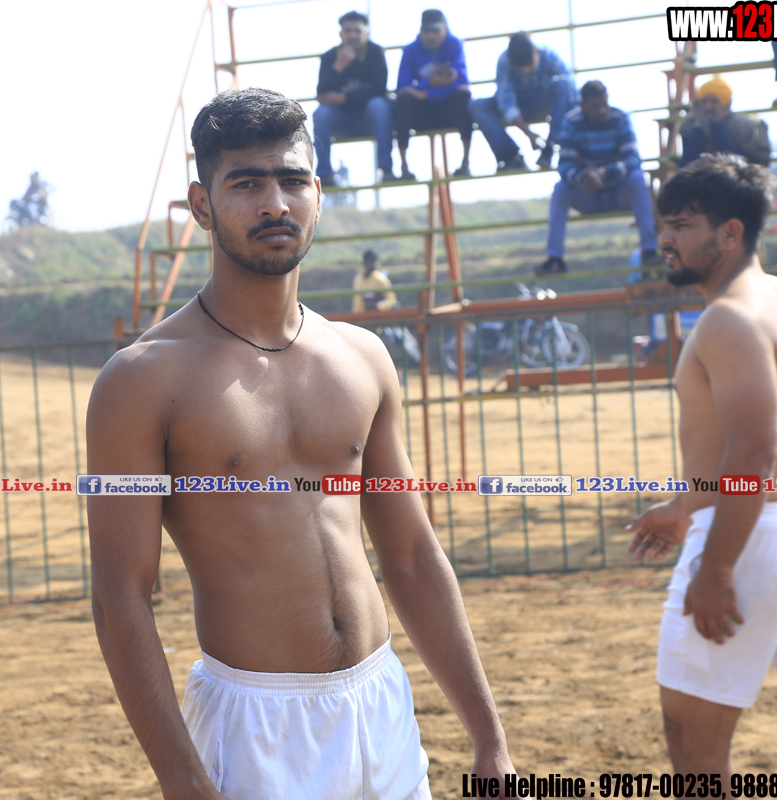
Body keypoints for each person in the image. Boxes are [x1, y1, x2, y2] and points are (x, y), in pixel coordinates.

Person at [87, 87, 513, 800]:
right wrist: (182, 777)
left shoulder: (362, 357)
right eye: (246, 184)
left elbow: (412, 555)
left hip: (380, 706)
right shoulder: (142, 379)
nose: (274, 204)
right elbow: (120, 595)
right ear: (201, 205)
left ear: (317, 193)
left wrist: (489, 739)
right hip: (255, 725)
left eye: (291, 180)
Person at [627, 153, 777, 776]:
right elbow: (763, 455)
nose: (664, 240)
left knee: (695, 749)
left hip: (750, 542)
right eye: (664, 224)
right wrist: (684, 506)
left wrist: (716, 567)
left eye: (682, 225)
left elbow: (755, 454)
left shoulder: (728, 318)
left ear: (730, 232)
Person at [538, 80, 659, 275]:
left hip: (619, 192)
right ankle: (555, 259)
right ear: (582, 105)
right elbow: (565, 165)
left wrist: (605, 172)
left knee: (637, 179)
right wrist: (583, 178)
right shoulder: (571, 122)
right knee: (560, 188)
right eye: (595, 107)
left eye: (604, 104)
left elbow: (633, 159)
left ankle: (650, 250)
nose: (602, 111)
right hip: (588, 195)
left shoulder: (620, 118)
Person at [469, 31, 577, 172]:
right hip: (517, 105)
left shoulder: (548, 54)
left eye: (529, 64)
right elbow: (506, 102)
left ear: (537, 52)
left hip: (542, 102)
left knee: (564, 84)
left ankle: (551, 146)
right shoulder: (504, 61)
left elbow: (571, 88)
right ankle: (511, 156)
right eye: (520, 66)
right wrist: (528, 133)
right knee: (477, 106)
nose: (525, 70)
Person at [313, 11, 396, 185]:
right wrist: (339, 66)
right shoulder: (329, 56)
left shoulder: (375, 52)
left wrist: (342, 98)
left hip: (370, 118)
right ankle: (324, 174)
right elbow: (321, 94)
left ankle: (386, 169)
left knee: (379, 105)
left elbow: (379, 90)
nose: (352, 35)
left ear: (366, 32)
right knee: (320, 113)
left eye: (357, 30)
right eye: (348, 30)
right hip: (341, 120)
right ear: (340, 33)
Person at [394, 9, 474, 180]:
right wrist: (430, 83)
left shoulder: (454, 44)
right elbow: (403, 88)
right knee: (403, 100)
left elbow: (462, 81)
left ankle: (465, 163)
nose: (431, 36)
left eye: (435, 31)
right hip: (422, 115)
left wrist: (425, 93)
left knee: (463, 96)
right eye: (426, 31)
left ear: (445, 29)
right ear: (420, 31)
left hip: (449, 111)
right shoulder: (410, 50)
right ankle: (404, 167)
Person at [680, 76, 771, 168]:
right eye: (704, 101)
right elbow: (688, 164)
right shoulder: (689, 125)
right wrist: (698, 126)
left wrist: (717, 125)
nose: (708, 107)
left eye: (715, 101)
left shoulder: (746, 126)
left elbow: (740, 164)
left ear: (727, 103)